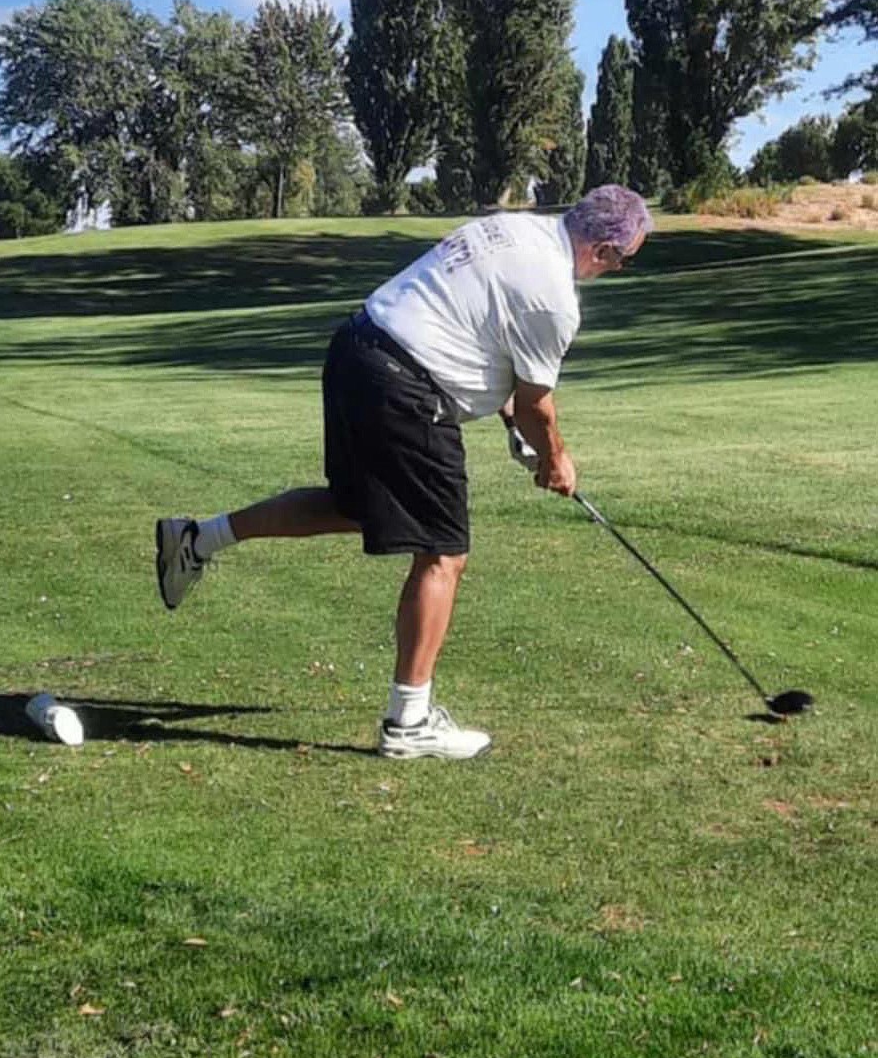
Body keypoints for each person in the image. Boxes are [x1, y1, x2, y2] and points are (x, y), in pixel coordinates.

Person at [155, 185, 653, 760]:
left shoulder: (515, 230)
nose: (618, 270)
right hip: (408, 389)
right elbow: (538, 405)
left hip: (357, 352)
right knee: (444, 552)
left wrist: (521, 434)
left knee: (355, 506)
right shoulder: (555, 297)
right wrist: (556, 457)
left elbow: (480, 339)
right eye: (625, 260)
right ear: (606, 250)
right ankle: (409, 722)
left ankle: (195, 539)